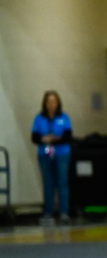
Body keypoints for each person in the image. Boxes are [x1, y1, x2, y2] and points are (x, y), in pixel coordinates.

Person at [32, 90, 73, 224]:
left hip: (61, 153)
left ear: (58, 103)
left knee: (62, 182)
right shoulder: (39, 118)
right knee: (48, 183)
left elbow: (68, 136)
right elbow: (34, 137)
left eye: (53, 101)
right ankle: (48, 213)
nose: (51, 104)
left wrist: (54, 139)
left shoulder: (64, 117)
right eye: (49, 102)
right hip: (45, 154)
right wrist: (44, 139)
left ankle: (64, 212)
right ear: (45, 103)